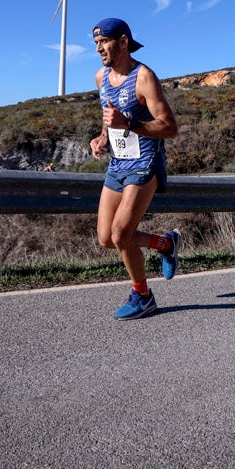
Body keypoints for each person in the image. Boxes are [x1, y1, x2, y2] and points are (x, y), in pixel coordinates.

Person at [89, 18, 182, 319]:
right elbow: (109, 118)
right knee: (106, 238)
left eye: (104, 41)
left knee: (120, 234)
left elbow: (169, 127)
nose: (99, 48)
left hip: (145, 162)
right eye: (96, 43)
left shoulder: (144, 77)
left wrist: (128, 124)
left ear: (124, 41)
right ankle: (165, 243)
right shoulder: (101, 78)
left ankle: (142, 296)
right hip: (118, 163)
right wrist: (102, 138)